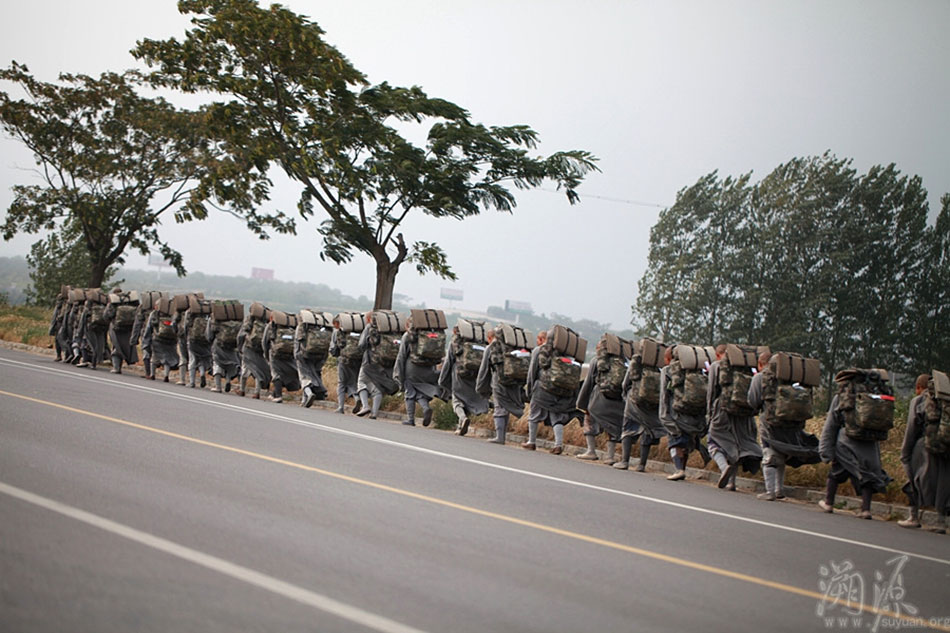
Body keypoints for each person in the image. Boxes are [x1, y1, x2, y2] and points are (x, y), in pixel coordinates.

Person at [818, 371, 893, 519]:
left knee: (836, 471)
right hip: (870, 443)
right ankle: (865, 510)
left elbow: (831, 424)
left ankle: (828, 503)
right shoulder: (875, 398)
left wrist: (825, 450)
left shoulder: (842, 397)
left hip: (846, 442)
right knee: (867, 474)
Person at [747, 351, 820, 500]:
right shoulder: (794, 378)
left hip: (770, 422)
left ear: (761, 364)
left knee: (769, 454)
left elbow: (753, 401)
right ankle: (779, 490)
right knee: (783, 454)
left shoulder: (761, 377)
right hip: (794, 424)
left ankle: (770, 491)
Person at [707, 344, 763, 489]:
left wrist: (709, 413)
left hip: (722, 409)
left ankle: (723, 466)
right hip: (743, 412)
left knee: (713, 442)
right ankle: (732, 482)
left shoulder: (716, 366)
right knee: (737, 443)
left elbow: (712, 391)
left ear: (719, 355)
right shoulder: (749, 369)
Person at [898, 373, 949, 533]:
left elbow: (912, 428)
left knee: (915, 480)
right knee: (944, 483)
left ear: (919, 387)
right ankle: (940, 521)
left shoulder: (919, 400)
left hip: (924, 445)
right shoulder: (946, 400)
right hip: (946, 446)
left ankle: (913, 517)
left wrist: (905, 453)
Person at [614, 344, 668, 472]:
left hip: (634, 401)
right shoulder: (660, 366)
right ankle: (642, 465)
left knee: (627, 429)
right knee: (647, 431)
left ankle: (624, 461)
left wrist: (626, 395)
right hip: (653, 404)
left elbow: (625, 383)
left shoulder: (637, 361)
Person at [659, 346, 710, 481]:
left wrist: (664, 416)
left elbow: (664, 394)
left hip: (677, 413)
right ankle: (683, 468)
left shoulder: (668, 370)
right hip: (696, 415)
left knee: (674, 442)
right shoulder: (700, 371)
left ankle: (679, 469)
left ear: (669, 358)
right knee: (686, 443)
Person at [576, 337, 627, 463]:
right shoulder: (624, 362)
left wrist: (582, 403)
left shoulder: (596, 361)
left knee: (589, 420)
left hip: (599, 399)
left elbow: (589, 383)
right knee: (612, 426)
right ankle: (610, 456)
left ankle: (591, 451)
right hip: (618, 400)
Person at [476, 326, 527, 444]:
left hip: (498, 382)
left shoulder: (492, 347)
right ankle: (502, 436)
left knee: (499, 408)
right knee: (507, 407)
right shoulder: (515, 348)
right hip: (514, 382)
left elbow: (484, 369)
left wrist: (480, 387)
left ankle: (500, 437)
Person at [439, 324, 490, 436]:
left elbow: (448, 362)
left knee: (457, 401)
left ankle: (463, 417)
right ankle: (461, 426)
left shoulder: (455, 344)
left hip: (459, 377)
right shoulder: (482, 345)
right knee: (467, 400)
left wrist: (443, 379)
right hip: (475, 377)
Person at [394, 317, 444, 426]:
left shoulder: (408, 336)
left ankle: (411, 419)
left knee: (410, 394)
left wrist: (398, 373)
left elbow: (401, 356)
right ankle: (426, 408)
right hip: (428, 369)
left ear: (408, 325)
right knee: (420, 393)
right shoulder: (432, 336)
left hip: (412, 370)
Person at [355, 311, 401, 419]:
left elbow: (361, 345)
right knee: (378, 387)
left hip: (370, 361)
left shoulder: (370, 327)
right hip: (387, 363)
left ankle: (365, 406)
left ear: (370, 319)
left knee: (361, 382)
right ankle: (374, 413)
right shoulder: (394, 330)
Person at [261, 312, 302, 403]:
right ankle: (274, 394)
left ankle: (278, 396)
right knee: (287, 373)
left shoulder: (271, 326)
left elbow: (264, 342)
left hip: (275, 354)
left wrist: (266, 354)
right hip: (290, 355)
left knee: (276, 374)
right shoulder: (293, 327)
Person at [295, 311, 330, 408]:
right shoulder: (322, 328)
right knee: (314, 375)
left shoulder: (302, 327)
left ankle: (309, 393)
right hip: (320, 356)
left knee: (304, 377)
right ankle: (304, 400)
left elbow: (297, 342)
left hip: (304, 355)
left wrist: (296, 356)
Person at [329, 315, 363, 414]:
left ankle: (340, 407)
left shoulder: (339, 332)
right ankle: (357, 398)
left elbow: (339, 345)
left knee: (341, 383)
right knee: (353, 382)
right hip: (357, 360)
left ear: (337, 323)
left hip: (343, 360)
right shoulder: (360, 332)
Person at [236, 303, 271, 399]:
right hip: (260, 349)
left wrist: (239, 347)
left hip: (248, 347)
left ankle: (242, 389)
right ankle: (257, 392)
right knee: (258, 370)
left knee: (245, 369)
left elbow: (242, 334)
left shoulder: (250, 319)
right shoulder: (267, 322)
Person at [143, 299, 180, 382]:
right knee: (167, 358)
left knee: (155, 357)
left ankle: (152, 374)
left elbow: (149, 327)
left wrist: (146, 341)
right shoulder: (173, 314)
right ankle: (166, 376)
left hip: (157, 339)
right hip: (171, 340)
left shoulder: (155, 314)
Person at [206, 308, 242, 393]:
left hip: (218, 345)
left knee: (217, 364)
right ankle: (228, 381)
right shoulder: (237, 320)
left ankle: (218, 387)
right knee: (230, 364)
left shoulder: (215, 319)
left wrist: (210, 341)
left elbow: (209, 334)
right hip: (232, 347)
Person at [103, 292, 139, 375]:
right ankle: (119, 366)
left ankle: (116, 368)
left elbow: (106, 316)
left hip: (116, 329)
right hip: (129, 329)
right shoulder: (131, 302)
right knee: (124, 347)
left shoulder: (113, 303)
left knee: (116, 347)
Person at [75, 294, 109, 369]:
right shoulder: (103, 308)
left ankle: (93, 363)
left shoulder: (88, 309)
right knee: (98, 346)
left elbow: (82, 321)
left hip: (90, 329)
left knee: (93, 346)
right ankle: (94, 362)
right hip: (100, 329)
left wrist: (79, 333)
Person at [132, 292, 160, 379]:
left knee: (146, 353)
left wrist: (134, 338)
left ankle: (148, 373)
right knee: (155, 353)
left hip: (145, 333)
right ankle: (153, 373)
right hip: (158, 333)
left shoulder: (142, 308)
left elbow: (137, 324)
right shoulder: (161, 307)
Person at [49, 287, 69, 362]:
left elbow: (61, 315)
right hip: (63, 323)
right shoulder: (67, 303)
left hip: (61, 323)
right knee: (60, 339)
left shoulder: (65, 304)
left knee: (59, 339)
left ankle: (61, 355)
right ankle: (61, 355)